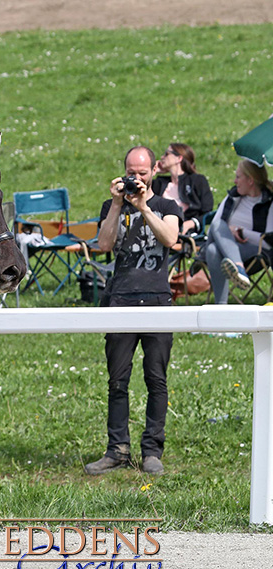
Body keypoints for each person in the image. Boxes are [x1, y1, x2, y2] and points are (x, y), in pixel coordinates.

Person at [85, 146, 182, 477]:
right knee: (117, 380)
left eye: (142, 173)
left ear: (154, 170)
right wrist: (116, 204)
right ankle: (117, 449)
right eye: (131, 172)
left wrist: (143, 207)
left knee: (156, 378)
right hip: (121, 298)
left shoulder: (167, 205)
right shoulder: (111, 205)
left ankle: (152, 450)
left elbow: (170, 238)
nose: (136, 178)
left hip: (157, 299)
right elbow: (103, 245)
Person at [204, 160, 273, 304]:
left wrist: (241, 232)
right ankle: (238, 268)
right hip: (226, 250)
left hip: (254, 252)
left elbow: (268, 241)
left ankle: (221, 307)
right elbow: (213, 229)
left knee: (212, 250)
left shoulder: (269, 202)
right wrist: (229, 231)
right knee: (217, 227)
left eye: (238, 177)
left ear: (250, 180)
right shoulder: (232, 198)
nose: (235, 181)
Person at [151, 142, 214, 235]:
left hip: (188, 234)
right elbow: (132, 188)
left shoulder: (197, 180)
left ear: (179, 158)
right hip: (160, 232)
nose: (162, 157)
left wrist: (191, 223)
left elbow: (208, 211)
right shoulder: (159, 183)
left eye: (167, 154)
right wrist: (152, 171)